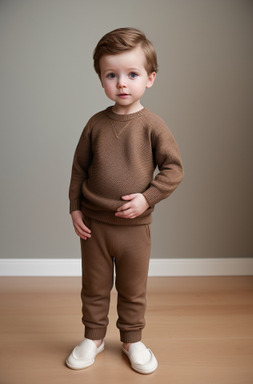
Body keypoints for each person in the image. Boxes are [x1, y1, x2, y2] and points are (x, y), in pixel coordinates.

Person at [66, 27, 184, 374]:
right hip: (94, 225)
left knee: (133, 288)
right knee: (95, 286)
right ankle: (94, 337)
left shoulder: (153, 125)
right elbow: (78, 170)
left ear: (150, 78)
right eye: (111, 75)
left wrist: (148, 199)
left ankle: (133, 339)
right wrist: (74, 208)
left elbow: (174, 169)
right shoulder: (95, 125)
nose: (122, 83)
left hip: (134, 228)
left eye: (132, 74)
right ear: (101, 79)